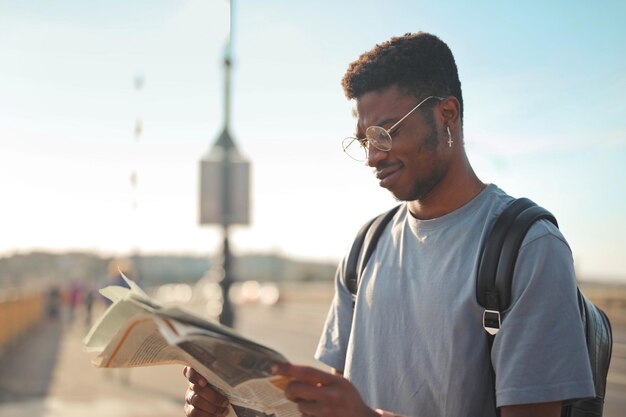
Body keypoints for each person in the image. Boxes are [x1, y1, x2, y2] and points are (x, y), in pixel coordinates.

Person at [182, 32, 594, 417]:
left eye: (387, 133)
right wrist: (233, 405)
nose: (373, 157)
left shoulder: (528, 246)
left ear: (446, 115)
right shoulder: (367, 245)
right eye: (364, 139)